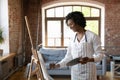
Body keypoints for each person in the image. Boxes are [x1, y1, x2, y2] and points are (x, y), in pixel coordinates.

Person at [50, 11, 104, 80]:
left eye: (71, 24)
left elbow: (100, 55)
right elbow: (68, 57)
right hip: (75, 73)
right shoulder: (72, 39)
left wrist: (89, 59)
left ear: (78, 22)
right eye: (68, 25)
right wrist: (58, 65)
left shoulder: (93, 36)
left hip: (89, 72)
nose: (70, 27)